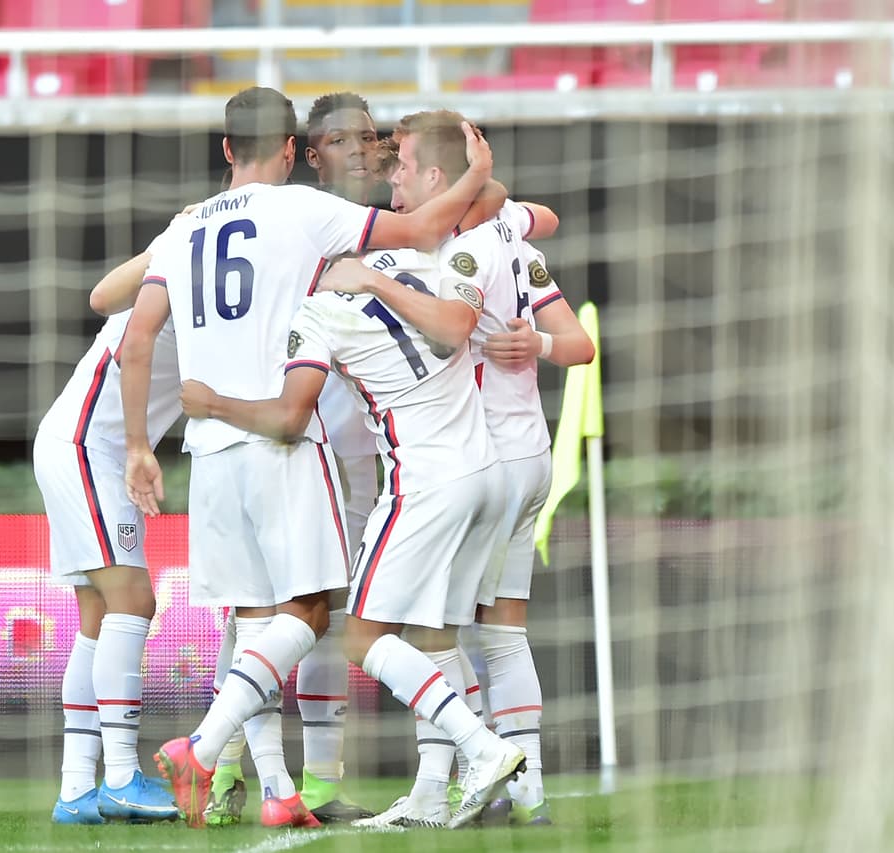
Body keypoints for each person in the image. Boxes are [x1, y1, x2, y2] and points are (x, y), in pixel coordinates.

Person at [119, 86, 495, 829]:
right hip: (282, 439)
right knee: (316, 609)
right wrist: (476, 169)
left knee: (255, 619)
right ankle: (201, 745)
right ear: (292, 152)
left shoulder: (184, 226)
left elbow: (135, 338)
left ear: (226, 149)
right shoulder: (299, 209)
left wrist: (138, 445)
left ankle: (275, 789)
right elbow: (423, 227)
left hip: (207, 453)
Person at [177, 238, 527, 830]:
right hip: (489, 471)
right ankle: (430, 795)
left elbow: (290, 417)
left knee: (359, 637)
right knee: (434, 637)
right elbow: (510, 233)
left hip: (421, 481)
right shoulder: (418, 259)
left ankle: (483, 748)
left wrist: (212, 403)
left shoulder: (314, 311)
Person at [387, 110, 596, 825]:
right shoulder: (510, 232)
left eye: (405, 167)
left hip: (481, 465)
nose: (395, 181)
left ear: (440, 176)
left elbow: (449, 330)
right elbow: (580, 344)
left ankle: (448, 783)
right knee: (503, 631)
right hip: (529, 455)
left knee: (429, 632)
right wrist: (535, 343)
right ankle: (527, 790)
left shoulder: (463, 254)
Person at [32, 225, 184, 825]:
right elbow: (101, 297)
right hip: (88, 443)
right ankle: (121, 777)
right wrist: (171, 238)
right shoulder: (190, 245)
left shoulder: (214, 257)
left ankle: (75, 790)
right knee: (133, 600)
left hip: (84, 443)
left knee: (97, 616)